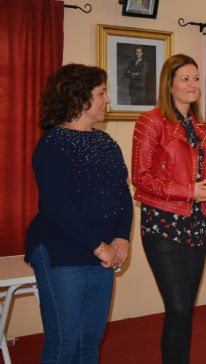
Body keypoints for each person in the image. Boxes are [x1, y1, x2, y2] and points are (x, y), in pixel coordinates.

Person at [25, 64, 133, 363]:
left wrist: (121, 238)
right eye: (101, 93)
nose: (107, 100)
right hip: (61, 252)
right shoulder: (53, 144)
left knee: (89, 343)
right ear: (79, 98)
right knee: (64, 344)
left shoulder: (105, 142)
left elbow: (122, 195)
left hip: (102, 252)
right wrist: (99, 246)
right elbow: (55, 205)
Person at [132, 54, 206, 364]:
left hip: (195, 224)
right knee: (178, 309)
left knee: (184, 312)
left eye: (196, 78)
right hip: (162, 224)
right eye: (185, 78)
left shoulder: (198, 126)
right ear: (169, 85)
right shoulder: (151, 121)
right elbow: (140, 177)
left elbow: (194, 176)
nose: (193, 84)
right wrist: (189, 191)